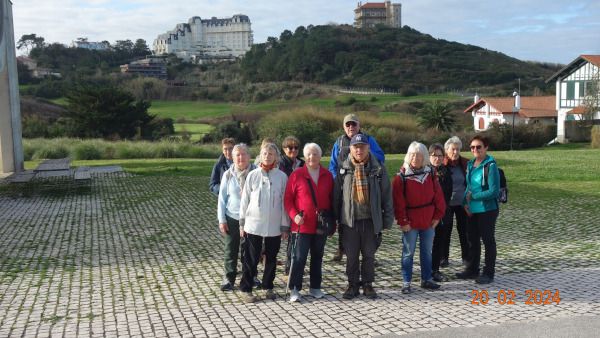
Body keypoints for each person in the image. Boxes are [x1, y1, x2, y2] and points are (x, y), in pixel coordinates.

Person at [333, 134, 393, 300]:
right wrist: (334, 220)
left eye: (362, 146)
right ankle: (352, 285)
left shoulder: (378, 169)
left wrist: (387, 221)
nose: (359, 150)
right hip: (349, 221)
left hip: (371, 221)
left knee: (369, 255)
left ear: (368, 148)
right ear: (350, 149)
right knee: (351, 256)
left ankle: (367, 284)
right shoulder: (343, 170)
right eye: (355, 147)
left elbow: (387, 195)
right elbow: (336, 197)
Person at [329, 114, 385, 262]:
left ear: (359, 125)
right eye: (348, 125)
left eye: (354, 124)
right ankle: (342, 248)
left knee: (369, 220)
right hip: (345, 185)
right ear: (344, 127)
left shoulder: (369, 140)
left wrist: (361, 151)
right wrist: (338, 181)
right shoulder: (339, 142)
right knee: (344, 220)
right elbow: (333, 165)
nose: (351, 127)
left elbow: (380, 157)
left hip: (365, 183)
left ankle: (370, 253)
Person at [392, 142, 446, 294]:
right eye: (412, 155)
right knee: (408, 253)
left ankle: (426, 279)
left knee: (426, 252)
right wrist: (402, 221)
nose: (415, 158)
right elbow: (398, 202)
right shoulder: (401, 177)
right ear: (408, 156)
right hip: (410, 222)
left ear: (425, 157)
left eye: (419, 155)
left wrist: (437, 216)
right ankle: (406, 282)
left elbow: (438, 197)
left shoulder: (431, 174)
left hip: (428, 221)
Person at [239, 143, 289, 303]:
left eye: (271, 153)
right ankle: (246, 288)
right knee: (251, 258)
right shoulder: (253, 175)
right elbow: (245, 200)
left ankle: (268, 286)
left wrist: (284, 225)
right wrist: (242, 223)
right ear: (261, 155)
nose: (268, 156)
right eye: (265, 153)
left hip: (274, 226)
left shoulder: (282, 177)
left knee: (272, 258)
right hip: (254, 224)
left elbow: (284, 203)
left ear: (276, 157)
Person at [284, 143, 334, 302]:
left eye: (315, 154)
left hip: (320, 225)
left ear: (320, 156)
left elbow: (332, 199)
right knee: (299, 257)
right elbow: (288, 200)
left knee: (317, 256)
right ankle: (295, 289)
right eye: (309, 154)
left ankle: (315, 287)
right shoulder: (296, 175)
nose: (312, 157)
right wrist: (294, 216)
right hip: (301, 224)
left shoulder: (327, 175)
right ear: (305, 157)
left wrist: (332, 221)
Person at [456, 135, 500, 284]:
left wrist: (473, 197)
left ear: (486, 148)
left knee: (488, 241)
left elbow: (494, 191)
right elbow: (468, 186)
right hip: (472, 210)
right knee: (472, 240)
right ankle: (472, 269)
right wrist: (465, 203)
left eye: (479, 147)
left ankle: (489, 272)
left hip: (487, 209)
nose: (475, 150)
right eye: (472, 147)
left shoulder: (491, 165)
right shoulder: (470, 164)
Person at [217, 143, 256, 291]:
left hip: (252, 217)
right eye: (237, 155)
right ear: (233, 158)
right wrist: (222, 220)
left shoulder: (256, 173)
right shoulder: (228, 175)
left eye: (243, 154)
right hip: (232, 217)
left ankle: (251, 276)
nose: (241, 157)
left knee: (251, 250)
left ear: (249, 156)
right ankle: (229, 277)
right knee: (231, 249)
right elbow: (222, 200)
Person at [279, 136, 305, 276]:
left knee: (294, 236)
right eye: (290, 147)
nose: (293, 150)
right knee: (277, 235)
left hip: (298, 204)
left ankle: (290, 266)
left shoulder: (302, 163)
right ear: (284, 149)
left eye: (296, 147)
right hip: (282, 203)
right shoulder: (280, 163)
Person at [441, 136, 469, 267]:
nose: (455, 152)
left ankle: (467, 257)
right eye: (453, 149)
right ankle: (443, 258)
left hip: (462, 202)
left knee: (464, 230)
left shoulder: (465, 163)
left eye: (458, 149)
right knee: (445, 230)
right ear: (447, 150)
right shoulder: (442, 165)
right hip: (446, 203)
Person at [428, 143, 453, 283]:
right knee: (426, 244)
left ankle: (435, 270)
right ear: (429, 156)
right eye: (434, 155)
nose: (437, 158)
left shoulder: (446, 172)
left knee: (438, 243)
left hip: (442, 214)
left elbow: (447, 194)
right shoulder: (424, 171)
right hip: (426, 214)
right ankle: (426, 270)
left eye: (440, 155)